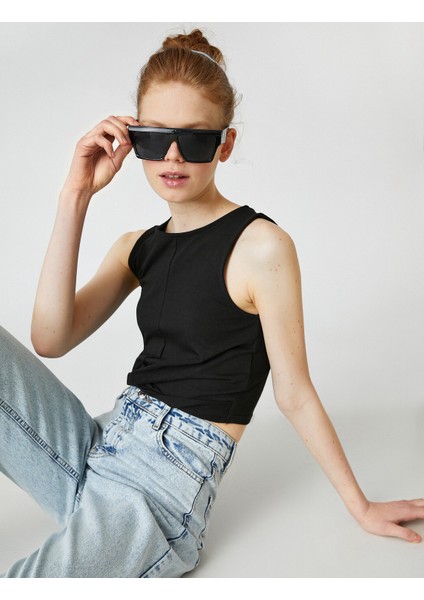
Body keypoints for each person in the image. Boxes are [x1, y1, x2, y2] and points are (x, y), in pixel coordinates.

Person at [1, 28, 423, 578]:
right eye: (156, 138)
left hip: (161, 488)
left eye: (195, 140)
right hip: (101, 442)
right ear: (132, 138)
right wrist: (75, 194)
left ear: (225, 144)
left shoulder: (261, 246)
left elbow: (294, 393)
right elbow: (50, 339)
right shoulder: (136, 247)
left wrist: (360, 506)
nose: (173, 155)